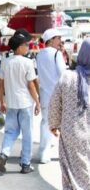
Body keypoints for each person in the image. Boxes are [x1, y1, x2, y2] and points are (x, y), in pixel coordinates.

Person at [0, 31, 40, 174]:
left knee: (10, 132)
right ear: (19, 47)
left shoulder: (5, 62)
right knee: (27, 134)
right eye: (26, 45)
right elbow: (31, 85)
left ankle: (4, 153)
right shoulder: (27, 62)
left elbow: (0, 84)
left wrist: (2, 101)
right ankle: (25, 164)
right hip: (25, 103)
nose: (28, 47)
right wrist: (37, 102)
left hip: (11, 103)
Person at [48, 38, 90, 190]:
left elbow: (55, 103)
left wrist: (53, 124)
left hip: (71, 133)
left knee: (70, 171)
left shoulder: (68, 76)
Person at [35, 28, 66, 164]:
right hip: (57, 94)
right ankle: (58, 152)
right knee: (62, 124)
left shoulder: (39, 55)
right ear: (51, 40)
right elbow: (63, 75)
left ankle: (43, 150)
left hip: (44, 93)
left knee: (45, 123)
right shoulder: (56, 54)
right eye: (58, 38)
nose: (60, 41)